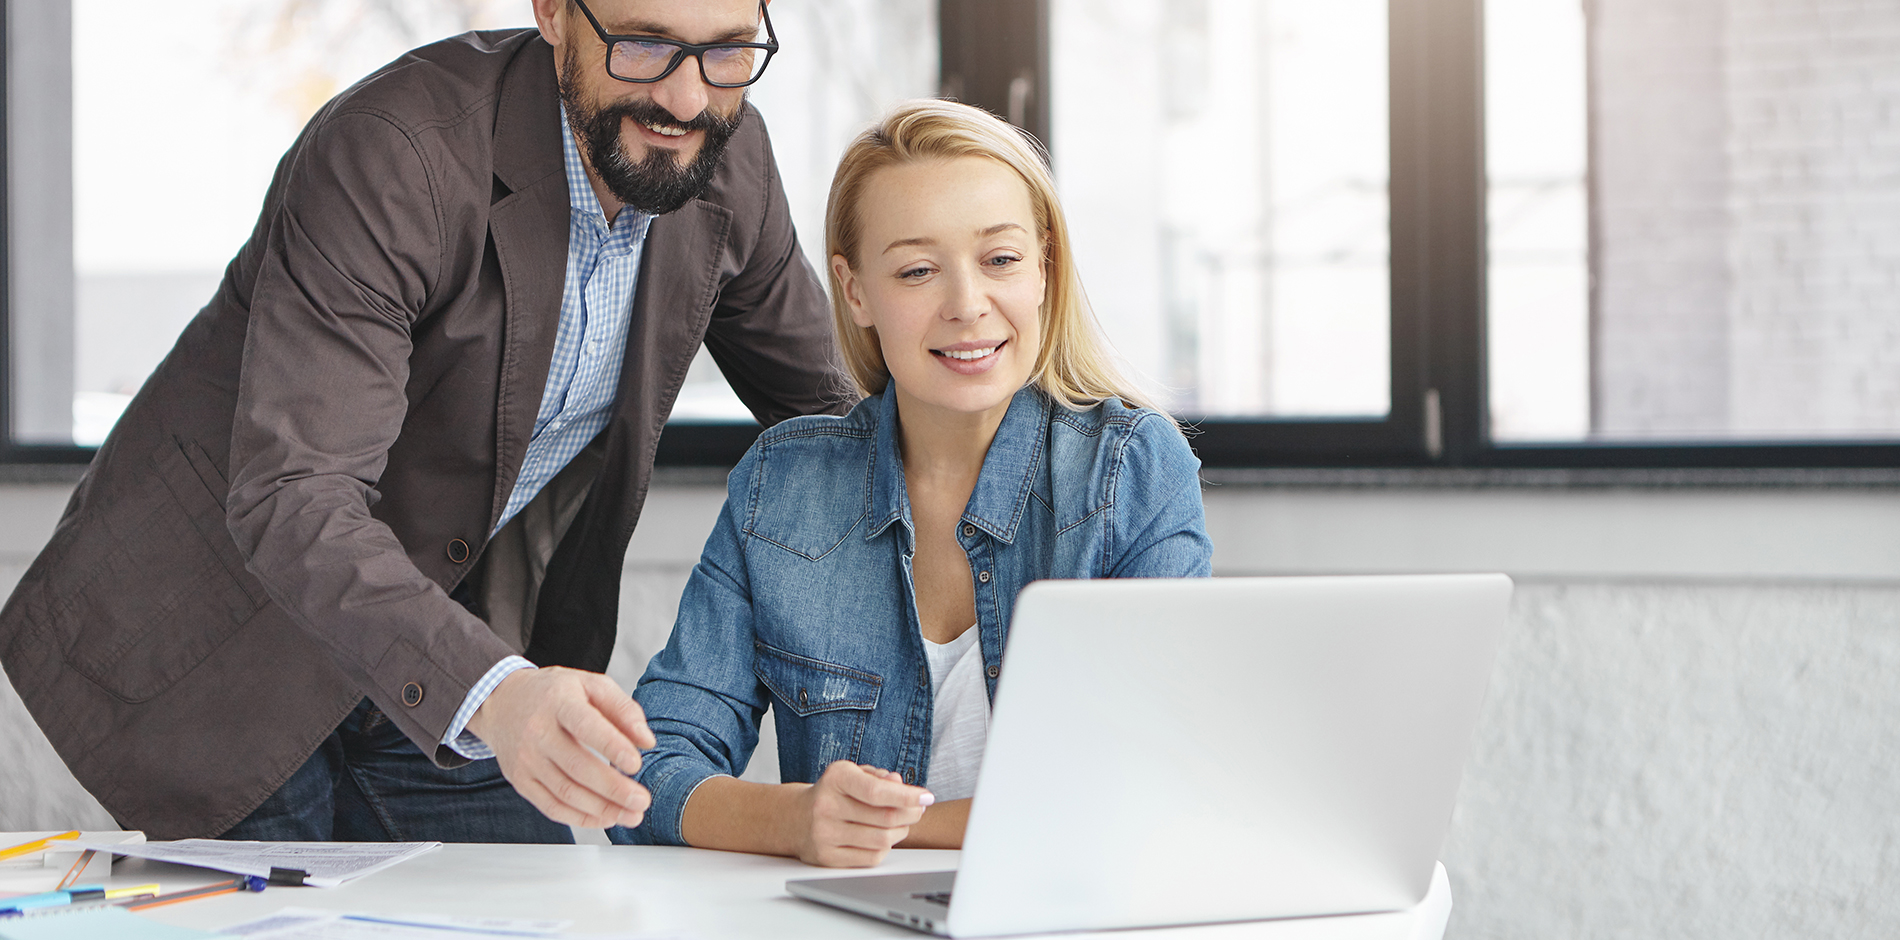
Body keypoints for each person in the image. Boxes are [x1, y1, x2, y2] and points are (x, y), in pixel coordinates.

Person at [0, 0, 843, 842]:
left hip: (449, 631)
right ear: (554, 13)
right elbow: (298, 493)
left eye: (728, 53)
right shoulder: (394, 151)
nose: (688, 101)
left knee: (533, 916)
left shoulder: (733, 166)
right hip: (230, 629)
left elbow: (834, 427)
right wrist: (500, 694)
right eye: (643, 46)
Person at [612, 100, 1213, 866]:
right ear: (855, 290)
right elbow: (649, 773)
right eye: (918, 270)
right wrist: (791, 821)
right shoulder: (782, 486)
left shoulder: (1132, 469)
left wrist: (879, 829)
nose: (966, 306)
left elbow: (1152, 784)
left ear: (1045, 272)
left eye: (1000, 260)